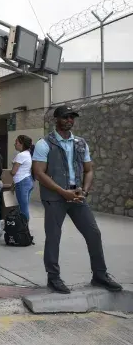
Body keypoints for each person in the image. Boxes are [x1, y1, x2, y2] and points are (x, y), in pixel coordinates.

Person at [32, 105, 122, 294]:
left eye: (72, 117)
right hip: (55, 198)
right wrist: (62, 192)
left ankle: (100, 275)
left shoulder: (80, 143)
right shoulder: (44, 144)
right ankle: (53, 278)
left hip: (77, 196)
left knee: (93, 234)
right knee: (53, 239)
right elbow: (39, 173)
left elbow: (89, 170)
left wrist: (85, 191)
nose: (69, 120)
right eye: (65, 117)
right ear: (56, 119)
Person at [11, 135, 34, 221]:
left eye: (16, 142)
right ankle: (24, 227)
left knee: (23, 208)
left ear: (22, 144)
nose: (14, 144)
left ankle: (24, 229)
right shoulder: (28, 153)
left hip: (22, 182)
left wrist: (10, 171)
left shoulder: (20, 155)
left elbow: (13, 172)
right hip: (27, 181)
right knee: (24, 206)